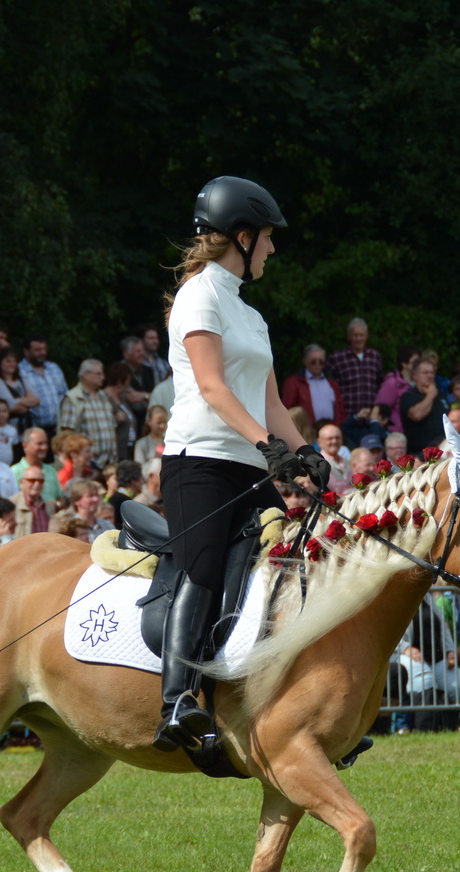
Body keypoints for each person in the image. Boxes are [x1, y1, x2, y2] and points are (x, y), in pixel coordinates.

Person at [153, 176, 325, 755]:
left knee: (286, 566)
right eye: (269, 239)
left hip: (248, 467)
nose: (274, 250)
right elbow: (212, 387)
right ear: (244, 237)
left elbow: (272, 403)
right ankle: (176, 699)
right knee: (201, 571)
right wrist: (266, 445)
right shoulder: (199, 297)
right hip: (197, 463)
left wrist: (305, 451)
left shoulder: (251, 317)